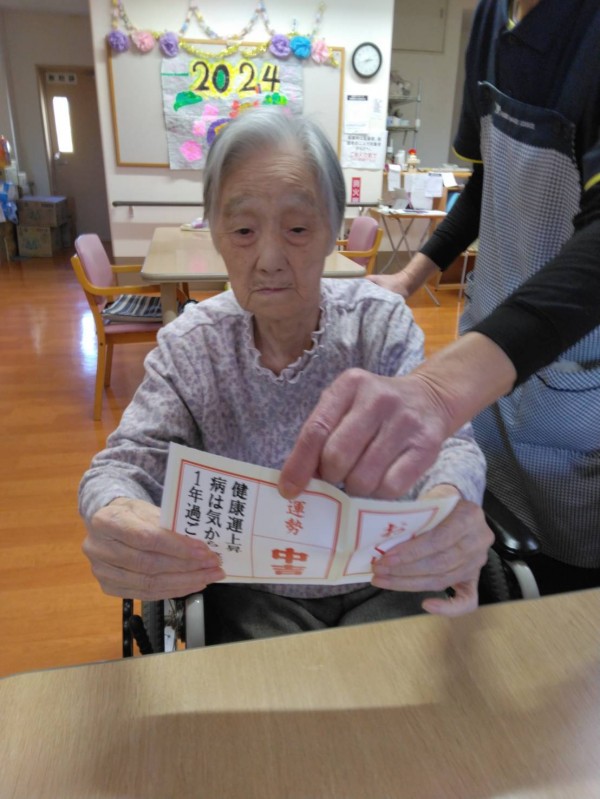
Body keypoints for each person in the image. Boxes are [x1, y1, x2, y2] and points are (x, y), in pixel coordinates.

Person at [79, 108, 493, 644]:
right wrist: (115, 511)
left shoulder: (379, 324)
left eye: (297, 228)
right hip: (255, 592)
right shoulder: (192, 346)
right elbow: (123, 464)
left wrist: (450, 500)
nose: (269, 259)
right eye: (243, 230)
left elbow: (450, 447)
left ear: (333, 232)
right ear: (215, 233)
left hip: (383, 577)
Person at [280, 0, 600, 595]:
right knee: (487, 536)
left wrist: (439, 387)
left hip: (575, 372)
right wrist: (410, 277)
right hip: (490, 346)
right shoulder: (491, 19)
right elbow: (485, 184)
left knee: (561, 584)